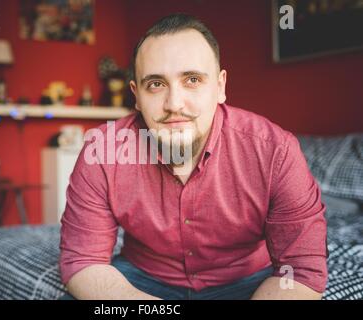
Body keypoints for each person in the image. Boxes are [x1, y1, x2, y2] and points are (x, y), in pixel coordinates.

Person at [59, 13, 328, 300]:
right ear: (136, 96)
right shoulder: (103, 150)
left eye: (192, 79)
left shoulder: (276, 150)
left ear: (220, 86)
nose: (174, 104)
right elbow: (84, 261)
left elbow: (300, 271)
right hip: (142, 279)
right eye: (156, 84)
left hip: (248, 279)